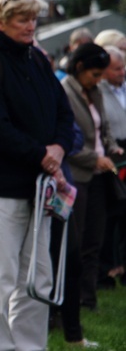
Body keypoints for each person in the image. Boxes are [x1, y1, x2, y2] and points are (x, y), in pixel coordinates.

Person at [0, 0, 75, 350]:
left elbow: (63, 111)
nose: (30, 26)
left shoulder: (37, 58)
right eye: (22, 19)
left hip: (39, 184)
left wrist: (59, 146)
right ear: (0, 20)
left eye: (33, 18)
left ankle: (30, 346)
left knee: (37, 275)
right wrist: (42, 154)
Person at [62, 42, 123, 312]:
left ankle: (88, 298)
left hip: (99, 176)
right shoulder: (65, 92)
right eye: (95, 75)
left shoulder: (94, 91)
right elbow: (67, 139)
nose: (99, 80)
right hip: (77, 176)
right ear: (79, 68)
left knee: (94, 241)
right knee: (75, 240)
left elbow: (103, 128)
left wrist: (111, 147)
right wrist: (93, 158)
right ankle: (69, 299)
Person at [98, 45, 126, 287]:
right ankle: (106, 269)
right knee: (111, 217)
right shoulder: (99, 92)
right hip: (112, 156)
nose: (122, 72)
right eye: (117, 69)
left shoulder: (123, 88)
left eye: (123, 67)